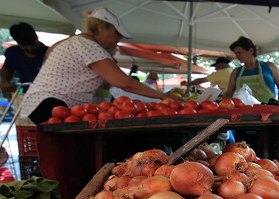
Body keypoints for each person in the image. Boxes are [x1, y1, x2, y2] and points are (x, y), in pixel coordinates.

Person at [19, 7, 181, 124]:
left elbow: (106, 82)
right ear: (102, 27)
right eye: (116, 33)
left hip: (45, 102)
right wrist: (162, 96)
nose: (118, 38)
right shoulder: (89, 45)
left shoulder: (74, 42)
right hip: (51, 103)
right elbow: (123, 82)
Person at [223, 37, 279, 103]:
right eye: (235, 53)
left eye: (239, 52)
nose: (237, 56)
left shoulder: (269, 66)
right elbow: (228, 94)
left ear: (251, 51)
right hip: (244, 111)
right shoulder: (236, 72)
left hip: (268, 110)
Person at [0, 22, 49, 94]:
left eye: (32, 44)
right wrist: (5, 81)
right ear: (18, 43)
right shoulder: (13, 53)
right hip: (27, 93)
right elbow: (7, 68)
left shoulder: (50, 52)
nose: (30, 48)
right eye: (24, 46)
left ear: (37, 38)